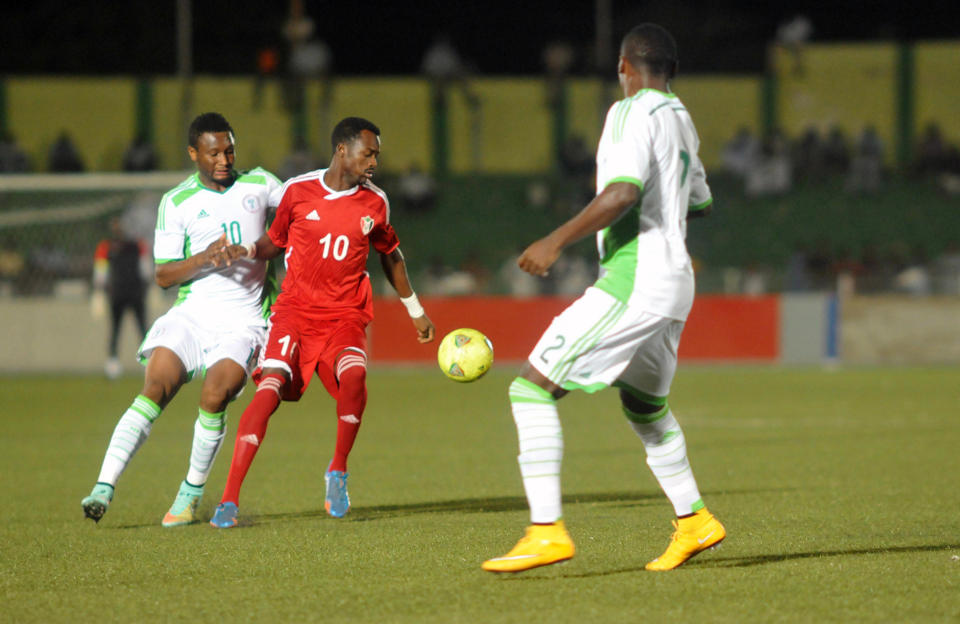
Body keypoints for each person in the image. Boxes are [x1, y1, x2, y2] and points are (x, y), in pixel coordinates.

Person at [482, 23, 725, 574]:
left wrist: (554, 240)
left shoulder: (629, 112)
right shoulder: (682, 119)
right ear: (672, 71)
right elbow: (703, 203)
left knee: (531, 389)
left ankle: (546, 531)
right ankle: (695, 520)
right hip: (675, 280)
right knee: (645, 407)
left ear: (623, 67)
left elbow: (622, 192)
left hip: (634, 278)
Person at [209, 117, 435, 528]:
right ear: (342, 151)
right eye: (368, 154)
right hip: (294, 314)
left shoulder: (376, 202)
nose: (374, 162)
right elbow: (274, 244)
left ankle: (338, 470)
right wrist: (243, 249)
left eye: (377, 155)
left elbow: (390, 254)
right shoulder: (298, 191)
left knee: (354, 380)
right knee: (268, 392)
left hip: (345, 315)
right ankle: (228, 500)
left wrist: (415, 310)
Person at [81, 112, 282, 526]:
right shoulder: (176, 201)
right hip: (192, 316)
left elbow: (294, 224)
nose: (224, 159)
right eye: (213, 153)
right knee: (155, 387)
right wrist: (205, 258)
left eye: (229, 150)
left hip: (244, 322)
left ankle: (189, 495)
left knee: (214, 395)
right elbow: (164, 275)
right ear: (194, 153)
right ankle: (104, 484)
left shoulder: (261, 184)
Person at [92, 216, 150, 379]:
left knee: (143, 328)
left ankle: (147, 362)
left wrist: (150, 287)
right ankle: (113, 362)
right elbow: (101, 270)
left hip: (136, 291)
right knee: (115, 328)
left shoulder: (138, 245)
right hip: (116, 292)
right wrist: (98, 292)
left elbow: (145, 268)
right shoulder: (106, 246)